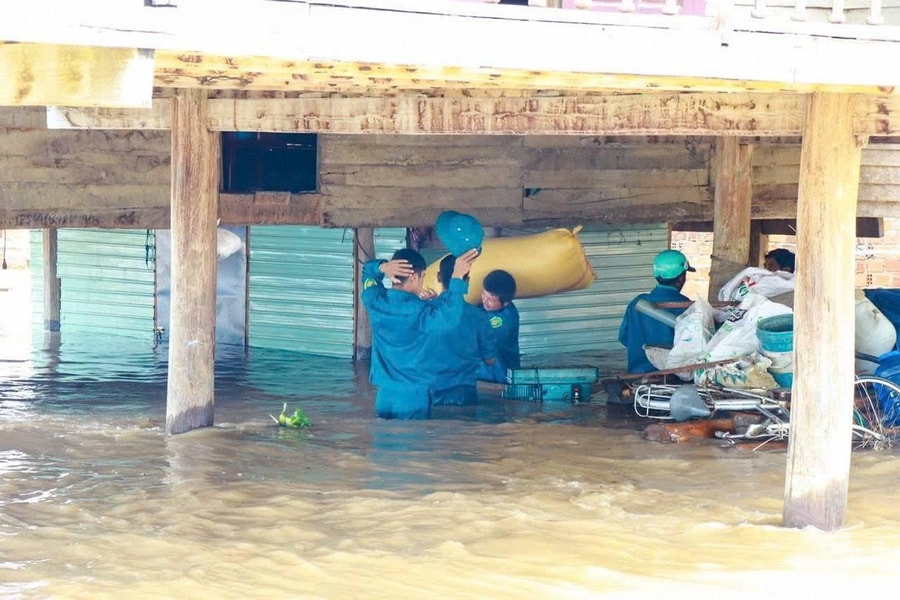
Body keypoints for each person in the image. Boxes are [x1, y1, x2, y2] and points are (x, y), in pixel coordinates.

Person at [361, 247, 478, 420]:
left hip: (384, 396)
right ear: (415, 276)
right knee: (414, 445)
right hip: (412, 397)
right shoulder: (421, 312)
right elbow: (450, 319)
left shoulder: (375, 300)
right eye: (423, 276)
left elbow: (367, 274)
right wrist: (457, 277)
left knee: (383, 443)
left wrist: (381, 267)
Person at [429, 255, 498, 406]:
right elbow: (490, 360)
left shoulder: (424, 310)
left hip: (428, 392)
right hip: (464, 394)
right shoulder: (479, 316)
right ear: (467, 280)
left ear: (439, 277)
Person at [618, 249, 696, 374]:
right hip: (671, 381)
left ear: (656, 275)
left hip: (636, 379)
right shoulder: (687, 307)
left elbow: (623, 338)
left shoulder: (636, 303)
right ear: (682, 278)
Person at [476, 270, 521, 383]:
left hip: (499, 380)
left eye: (490, 299)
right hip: (483, 376)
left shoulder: (506, 319)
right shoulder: (484, 308)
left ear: (505, 303)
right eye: (484, 294)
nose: (485, 300)